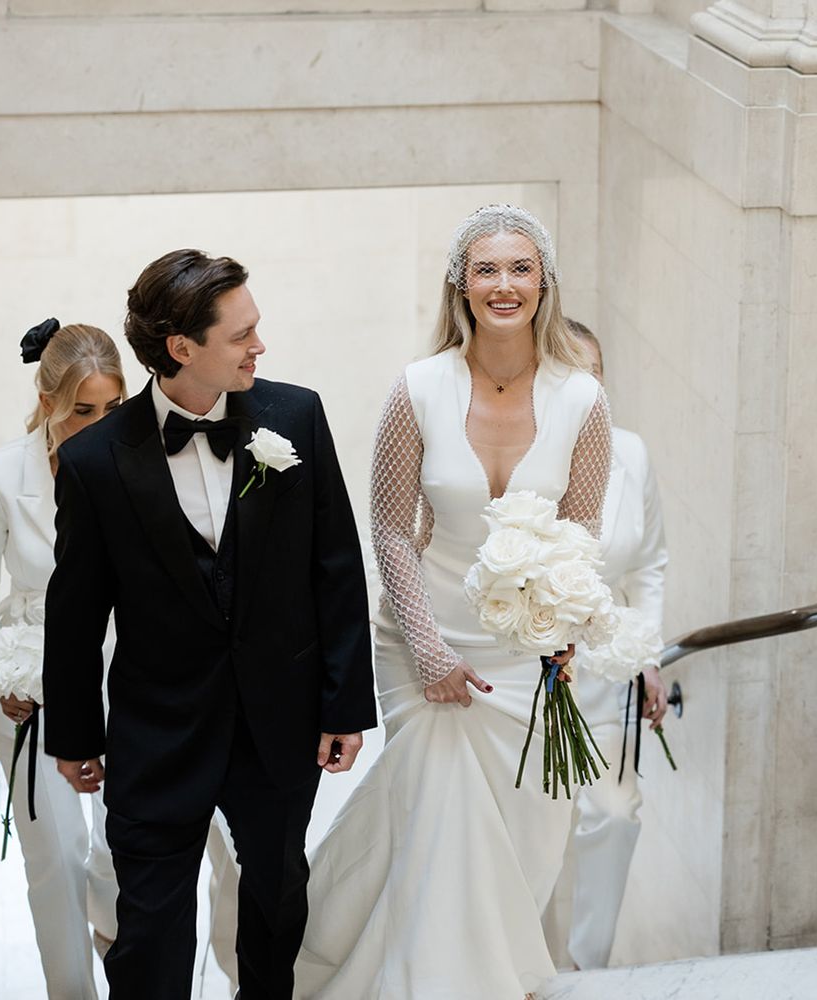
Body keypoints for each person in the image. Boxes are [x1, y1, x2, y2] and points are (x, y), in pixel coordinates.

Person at [295, 204, 613, 999]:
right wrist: (429, 646)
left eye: (520, 268)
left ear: (544, 283)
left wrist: (562, 635)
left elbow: (581, 534)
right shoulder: (417, 390)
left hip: (527, 656)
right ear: (460, 286)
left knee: (527, 838)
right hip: (424, 642)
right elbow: (392, 530)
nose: (503, 285)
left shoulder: (583, 400)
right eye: (486, 269)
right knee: (441, 837)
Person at [40, 249, 377, 1000]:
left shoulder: (297, 416)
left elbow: (336, 565)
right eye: (242, 335)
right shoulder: (95, 461)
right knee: (150, 931)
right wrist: (73, 734)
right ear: (181, 347)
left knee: (277, 899)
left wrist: (345, 703)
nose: (261, 346)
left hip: (277, 722)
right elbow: (76, 609)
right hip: (157, 732)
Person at [0, 320, 124, 999]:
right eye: (84, 410)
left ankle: (126, 962)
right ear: (47, 397)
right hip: (32, 682)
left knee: (120, 854)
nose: (99, 424)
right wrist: (2, 670)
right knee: (56, 859)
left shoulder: (136, 463)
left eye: (113, 409)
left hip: (129, 675)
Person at [543, 319, 668, 971]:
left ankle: (588, 966)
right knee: (534, 827)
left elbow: (649, 563)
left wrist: (647, 656)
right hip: (527, 673)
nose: (586, 392)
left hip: (606, 669)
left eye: (595, 375)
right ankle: (522, 966)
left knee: (614, 815)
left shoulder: (632, 454)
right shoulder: (513, 456)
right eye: (568, 376)